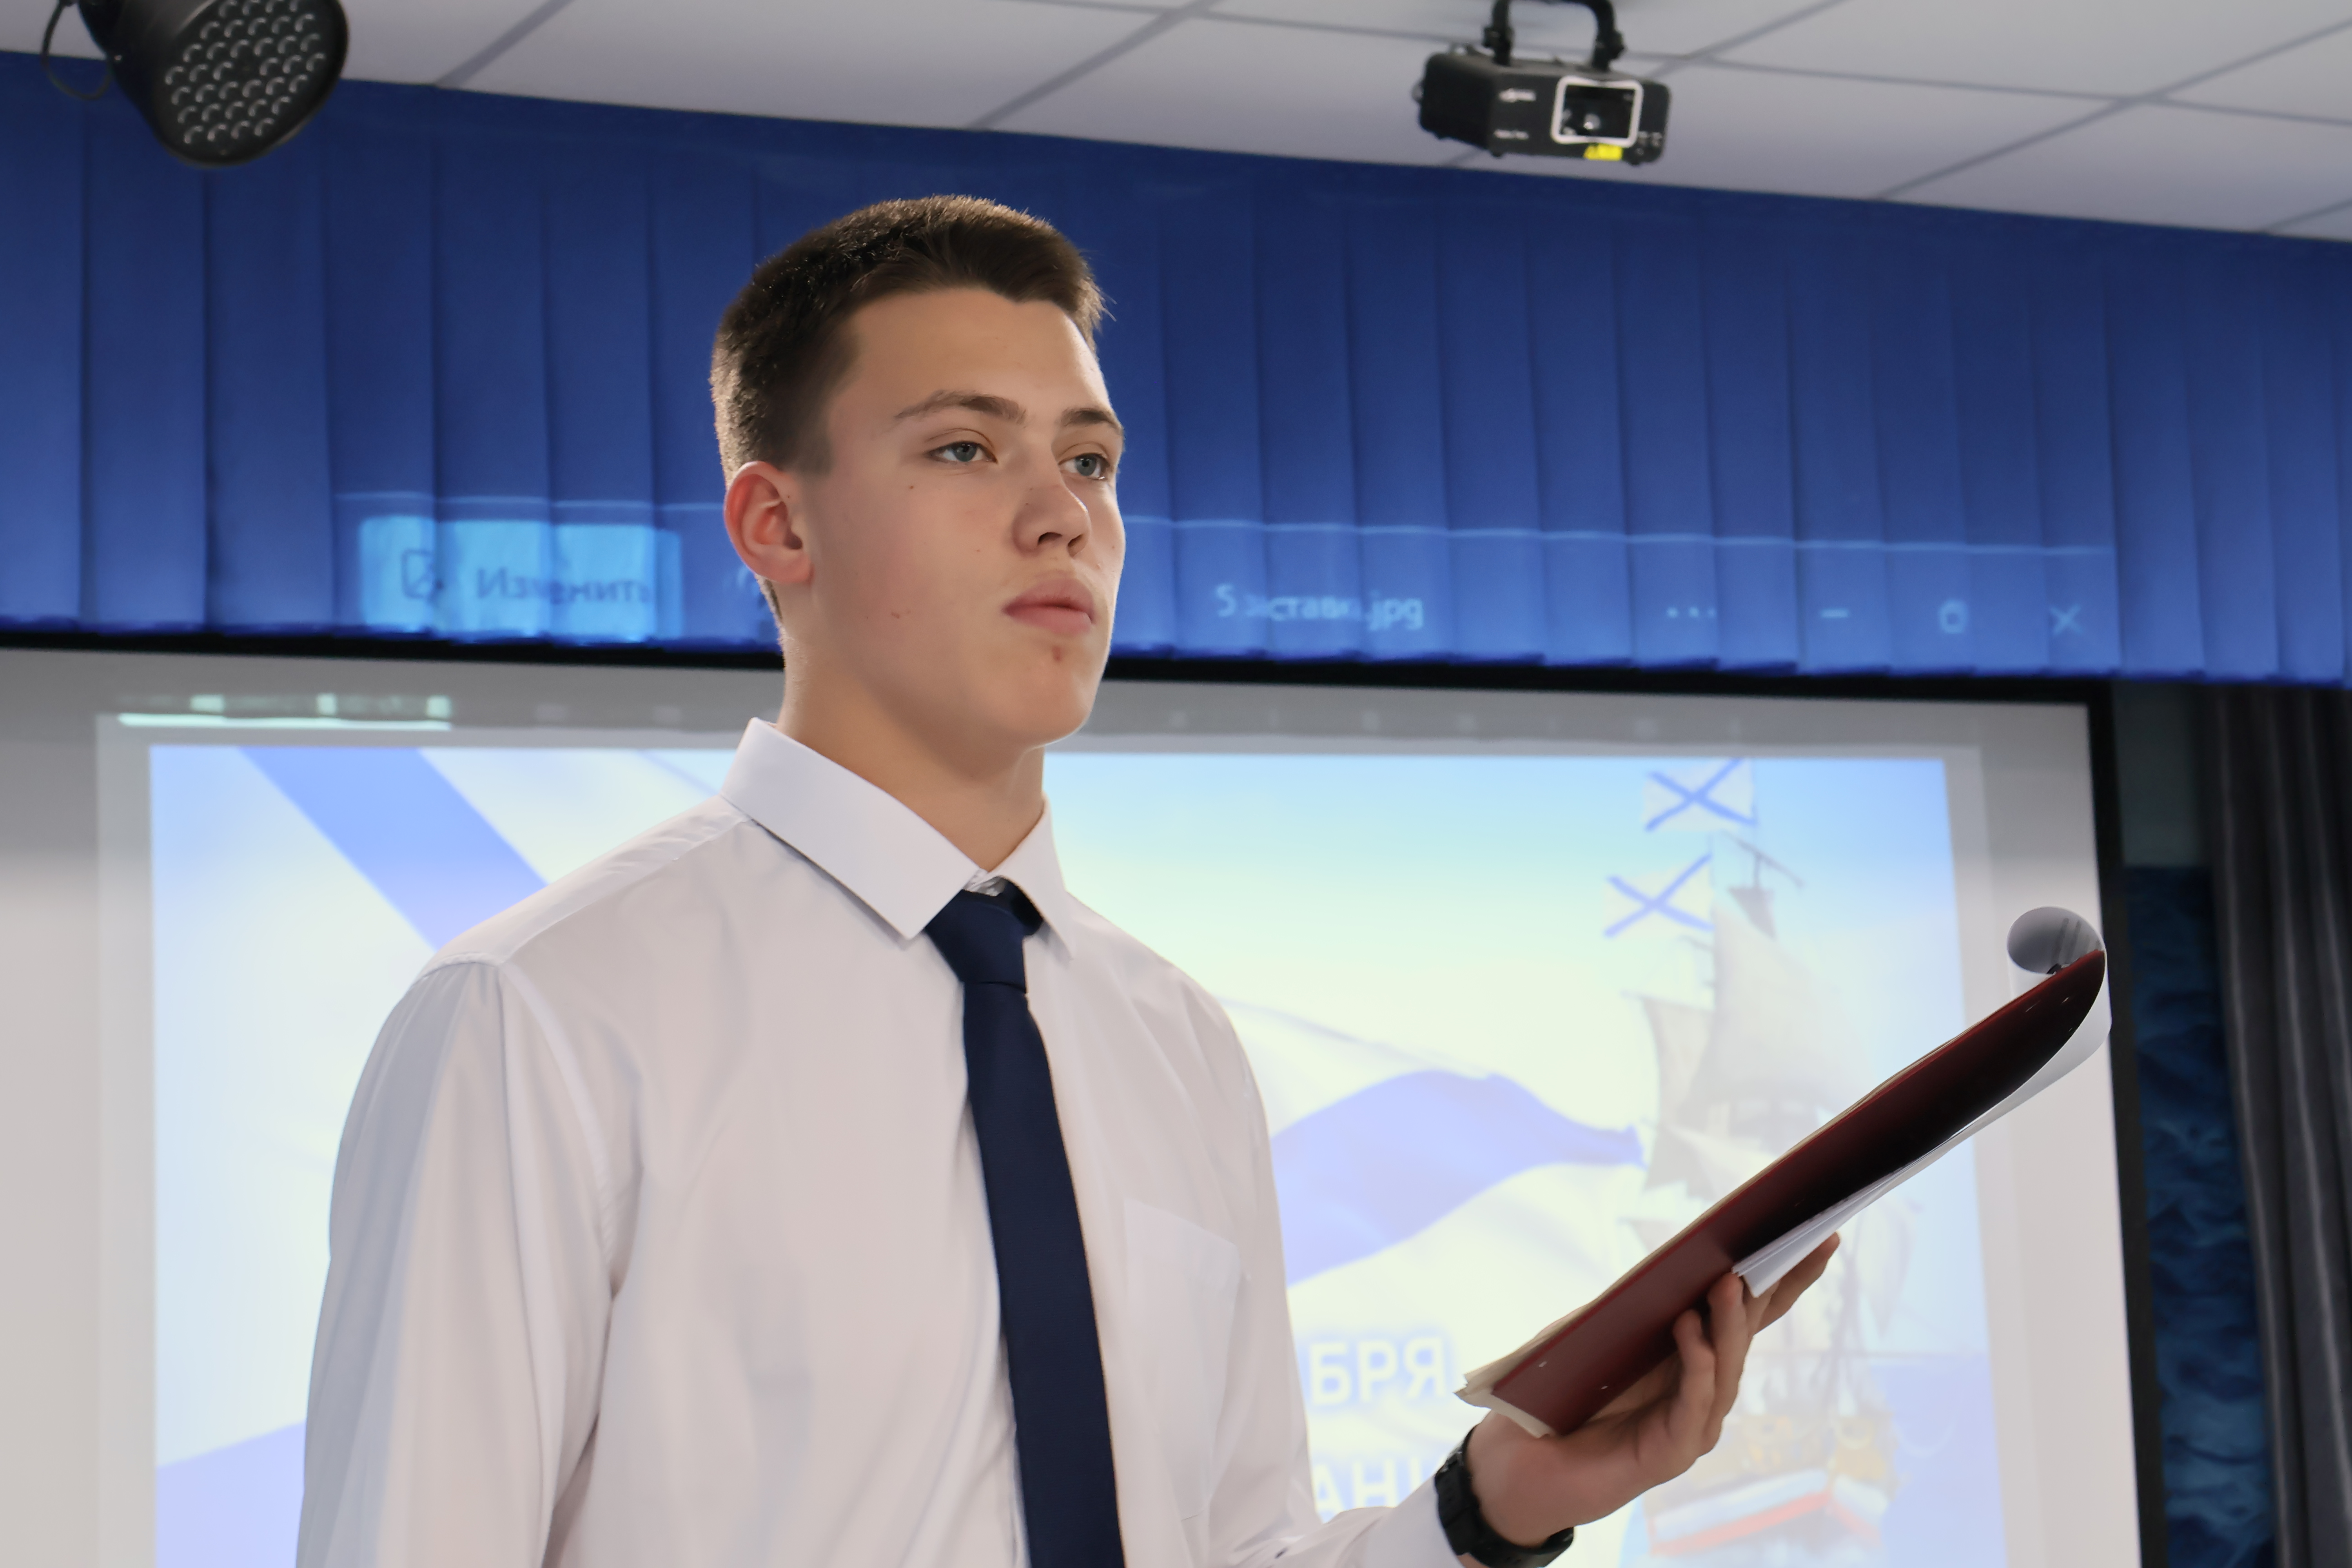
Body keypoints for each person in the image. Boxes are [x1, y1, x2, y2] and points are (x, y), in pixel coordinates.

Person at [296, 195, 1835, 1568]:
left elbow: (1233, 1547)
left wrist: (1489, 1509)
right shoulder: (539, 1019)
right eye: (965, 449)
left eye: (1089, 461)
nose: (1063, 516)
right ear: (778, 526)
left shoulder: (1173, 1039)